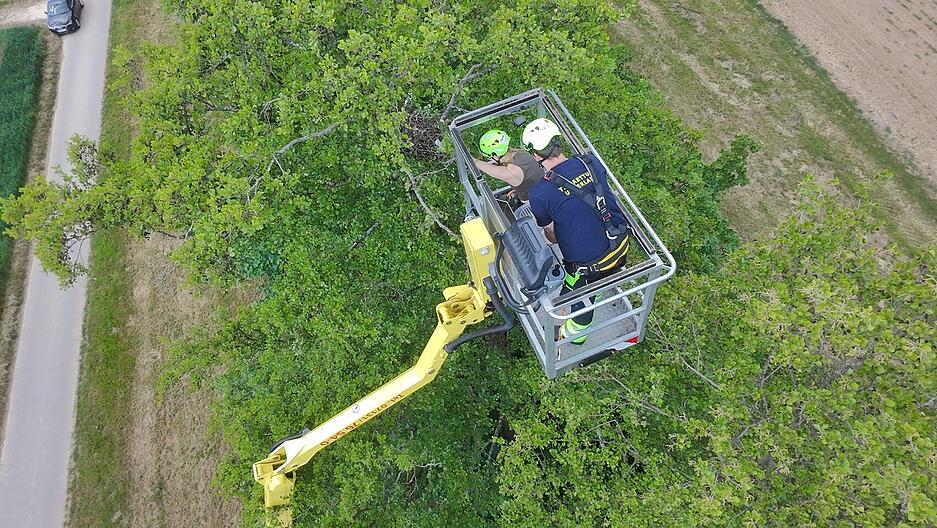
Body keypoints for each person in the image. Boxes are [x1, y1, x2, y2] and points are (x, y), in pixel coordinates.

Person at [521, 118, 631, 344]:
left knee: (582, 299)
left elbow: (550, 235)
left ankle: (574, 335)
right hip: (620, 242)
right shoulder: (590, 161)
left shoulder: (540, 193)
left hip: (590, 266)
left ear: (536, 155)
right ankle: (594, 289)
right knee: (585, 278)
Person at [473, 129, 543, 202]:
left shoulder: (510, 171)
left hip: (534, 201)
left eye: (489, 157)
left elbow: (480, 164)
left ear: (495, 155)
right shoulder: (522, 153)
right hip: (545, 188)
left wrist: (473, 160)